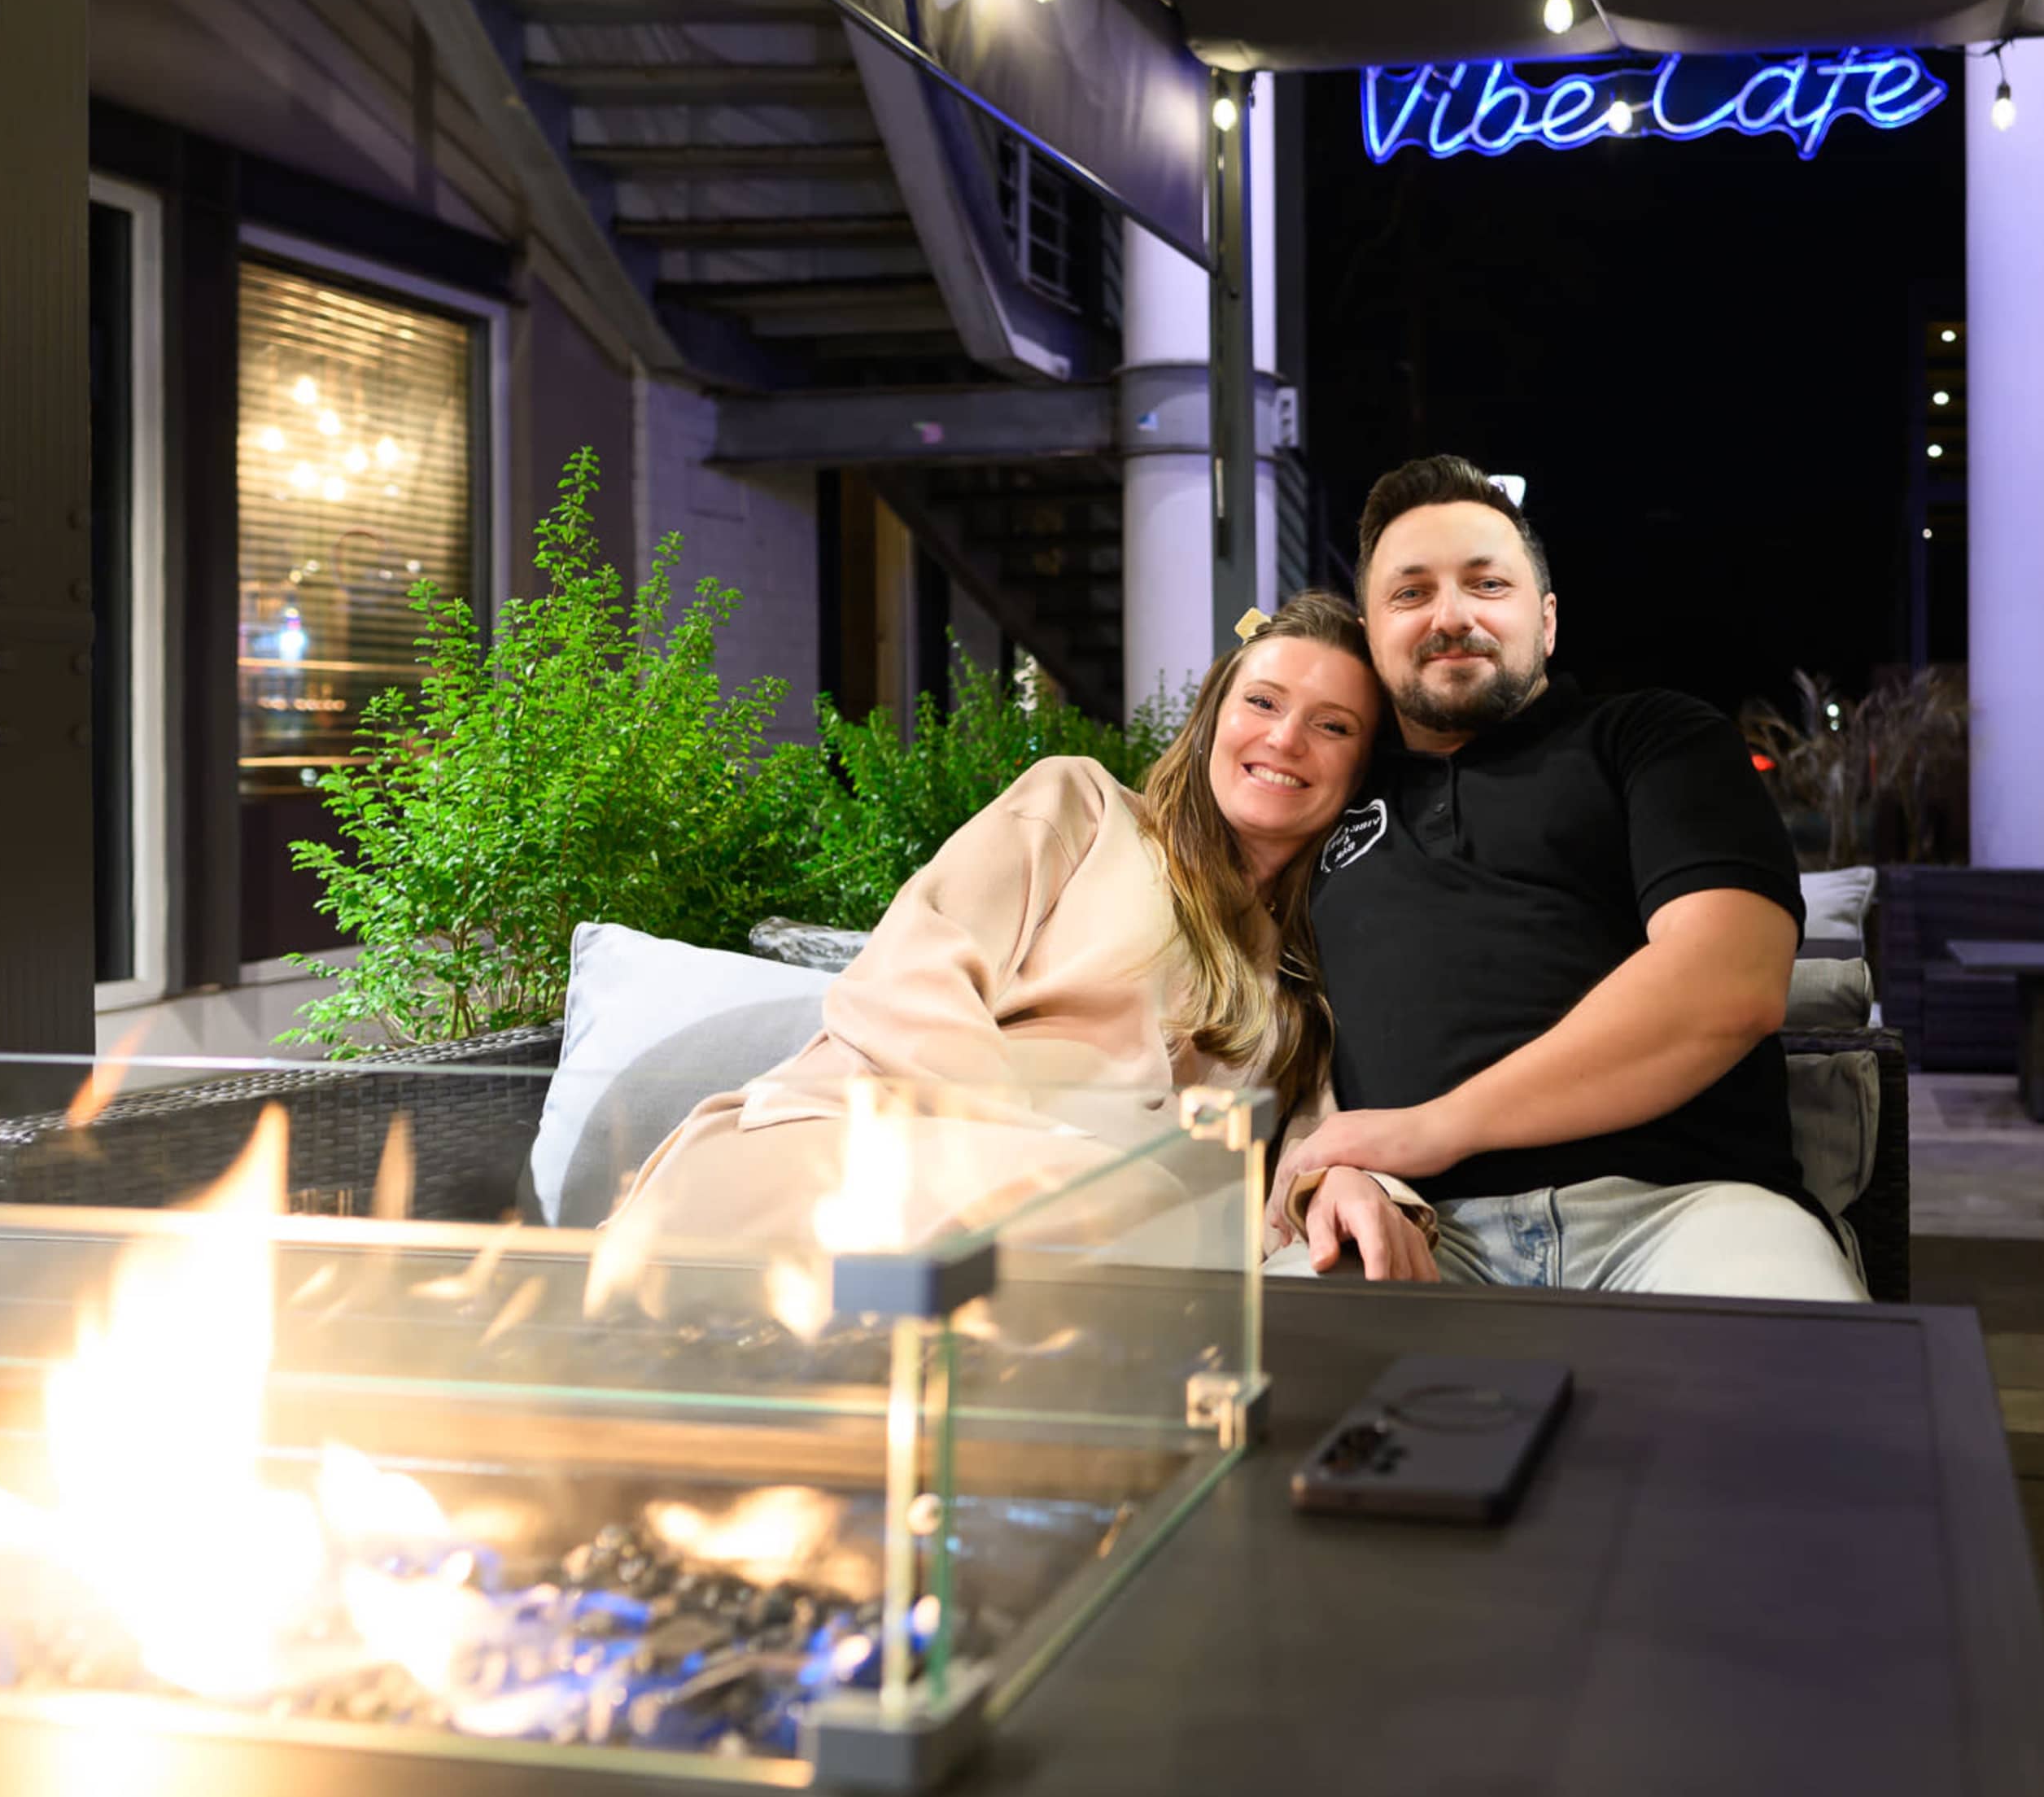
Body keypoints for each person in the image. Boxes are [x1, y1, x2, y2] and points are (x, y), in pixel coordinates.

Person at [613, 592, 1439, 1281]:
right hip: (874, 1153)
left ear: (1361, 770)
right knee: (1122, 1219)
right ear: (1214, 716)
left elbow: (1320, 1138)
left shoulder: (1308, 970)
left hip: (1083, 1246)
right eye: (1262, 702)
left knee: (1144, 1231)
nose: (1284, 739)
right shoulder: (1084, 809)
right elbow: (910, 975)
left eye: (1333, 727)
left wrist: (1356, 1185)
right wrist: (1038, 1153)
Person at [1269, 455, 1865, 1302]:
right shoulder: (1330, 794)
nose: (1452, 615)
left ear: (1546, 622)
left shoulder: (1650, 740)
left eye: (1487, 585)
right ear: (1370, 637)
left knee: (1798, 1398)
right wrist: (1328, 1172)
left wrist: (1433, 1129)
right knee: (1261, 1398)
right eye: (1410, 594)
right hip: (1409, 1225)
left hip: (1686, 1212)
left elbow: (1729, 983)